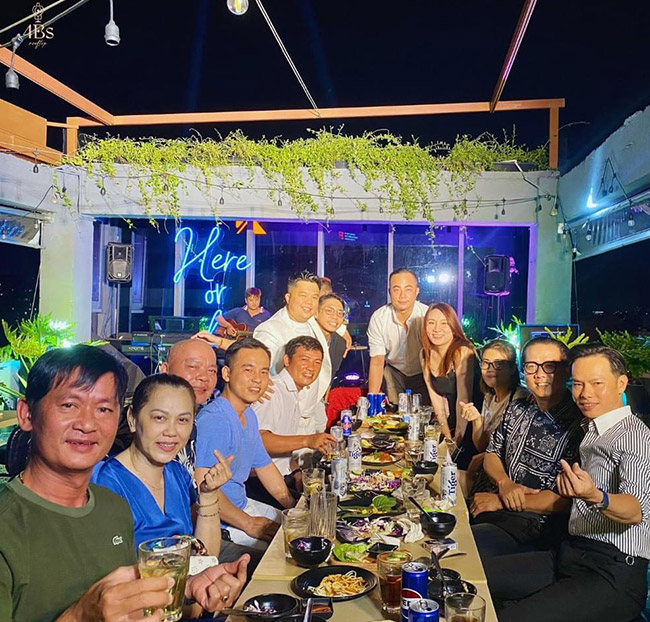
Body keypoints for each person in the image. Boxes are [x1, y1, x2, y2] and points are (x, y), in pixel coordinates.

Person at [0, 345, 248, 622]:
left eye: (103, 409)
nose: (87, 424)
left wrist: (188, 588)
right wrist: (81, 616)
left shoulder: (112, 508)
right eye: (69, 405)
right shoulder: (9, 526)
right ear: (26, 414)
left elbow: (127, 604)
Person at [485, 344, 650, 622]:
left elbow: (636, 510)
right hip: (570, 553)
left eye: (597, 383)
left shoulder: (633, 436)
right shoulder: (591, 428)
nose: (585, 393)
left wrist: (595, 496)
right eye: (578, 384)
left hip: (611, 570)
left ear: (621, 383)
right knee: (472, 576)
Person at [92, 373, 232, 556]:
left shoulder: (178, 473)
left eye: (182, 420)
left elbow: (205, 556)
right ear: (132, 419)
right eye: (159, 418)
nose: (171, 431)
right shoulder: (106, 483)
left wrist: (208, 494)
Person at [470, 337, 584, 560]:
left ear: (566, 371)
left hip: (535, 526)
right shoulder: (518, 408)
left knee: (464, 551)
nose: (539, 374)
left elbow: (568, 500)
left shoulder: (578, 424)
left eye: (549, 366)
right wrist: (504, 483)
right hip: (494, 508)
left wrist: (501, 501)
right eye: (531, 366)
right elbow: (492, 452)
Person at [195, 338, 295, 550]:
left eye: (263, 372)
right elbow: (202, 487)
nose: (257, 379)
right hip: (222, 522)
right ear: (226, 374)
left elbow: (265, 467)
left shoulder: (248, 415)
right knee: (287, 551)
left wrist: (294, 508)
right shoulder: (215, 420)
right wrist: (248, 524)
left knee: (301, 532)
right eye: (248, 370)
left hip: (243, 505)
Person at [254, 270, 331, 432]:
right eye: (303, 296)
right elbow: (255, 365)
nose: (309, 302)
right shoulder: (271, 329)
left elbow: (334, 317)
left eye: (314, 297)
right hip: (283, 418)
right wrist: (258, 385)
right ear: (288, 298)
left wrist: (344, 331)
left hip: (310, 415)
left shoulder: (312, 321)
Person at [253, 336, 337, 481]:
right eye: (304, 360)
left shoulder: (294, 394)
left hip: (284, 476)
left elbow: (283, 451)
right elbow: (259, 440)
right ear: (287, 360)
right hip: (262, 481)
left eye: (317, 362)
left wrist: (297, 474)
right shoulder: (273, 391)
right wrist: (307, 440)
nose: (311, 368)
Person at [457, 339, 529, 494]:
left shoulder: (520, 399)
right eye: (485, 363)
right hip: (485, 473)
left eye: (498, 364)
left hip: (505, 481)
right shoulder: (489, 397)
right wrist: (476, 419)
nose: (490, 369)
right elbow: (482, 445)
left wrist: (484, 457)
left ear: (512, 368)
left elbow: (513, 453)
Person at [420, 302, 481, 456]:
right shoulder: (425, 354)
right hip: (450, 419)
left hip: (472, 419)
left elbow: (464, 398)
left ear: (453, 326)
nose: (436, 329)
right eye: (431, 323)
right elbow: (437, 401)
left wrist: (457, 440)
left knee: (458, 460)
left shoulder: (462, 351)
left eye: (444, 323)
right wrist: (447, 438)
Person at [367, 268, 429, 404]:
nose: (402, 295)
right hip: (394, 371)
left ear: (416, 291)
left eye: (408, 289)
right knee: (393, 411)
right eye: (396, 289)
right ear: (389, 292)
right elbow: (377, 361)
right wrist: (373, 400)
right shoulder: (379, 318)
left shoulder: (427, 315)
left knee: (425, 411)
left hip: (424, 371)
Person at [315, 293, 348, 381]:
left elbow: (330, 377)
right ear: (316, 313)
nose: (335, 317)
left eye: (340, 313)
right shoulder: (304, 337)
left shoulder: (340, 343)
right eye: (329, 311)